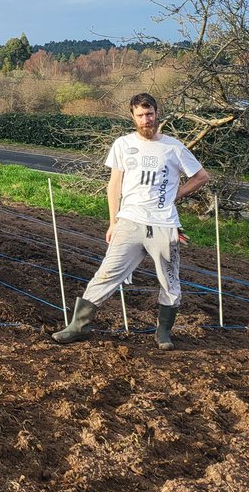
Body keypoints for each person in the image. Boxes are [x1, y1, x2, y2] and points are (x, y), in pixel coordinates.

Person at [53, 93, 209, 350]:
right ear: (132, 116)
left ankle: (163, 333)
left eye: (149, 114)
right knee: (106, 274)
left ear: (157, 113)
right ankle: (78, 327)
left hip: (163, 224)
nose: (146, 120)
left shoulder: (174, 147)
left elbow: (201, 176)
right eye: (140, 115)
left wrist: (176, 194)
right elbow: (114, 185)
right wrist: (113, 222)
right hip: (129, 222)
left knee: (169, 280)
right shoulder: (123, 145)